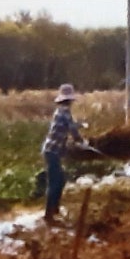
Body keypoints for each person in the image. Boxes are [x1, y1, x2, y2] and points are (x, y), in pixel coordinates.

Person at [40, 83, 86, 226]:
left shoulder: (61, 112)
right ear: (69, 101)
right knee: (55, 182)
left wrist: (80, 125)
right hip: (52, 151)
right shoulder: (64, 113)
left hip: (52, 151)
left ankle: (55, 209)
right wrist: (81, 141)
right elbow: (72, 130)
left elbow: (70, 125)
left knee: (60, 180)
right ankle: (48, 215)